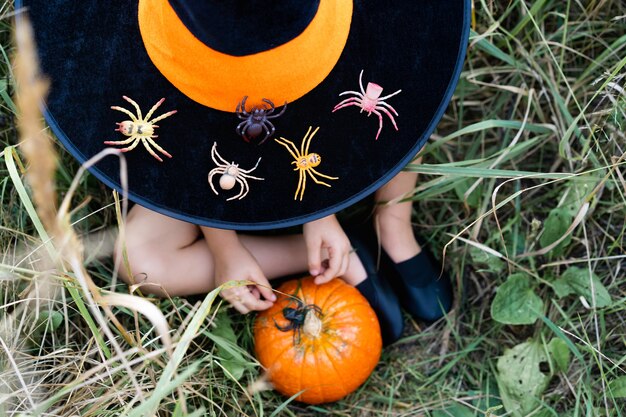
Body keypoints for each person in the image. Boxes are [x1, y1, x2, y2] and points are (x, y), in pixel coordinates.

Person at [24, 0, 468, 345]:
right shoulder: (162, 51)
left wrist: (320, 209)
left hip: (330, 48)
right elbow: (188, 150)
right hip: (186, 79)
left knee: (408, 84)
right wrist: (224, 247)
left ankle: (392, 228)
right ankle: (336, 251)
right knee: (140, 260)